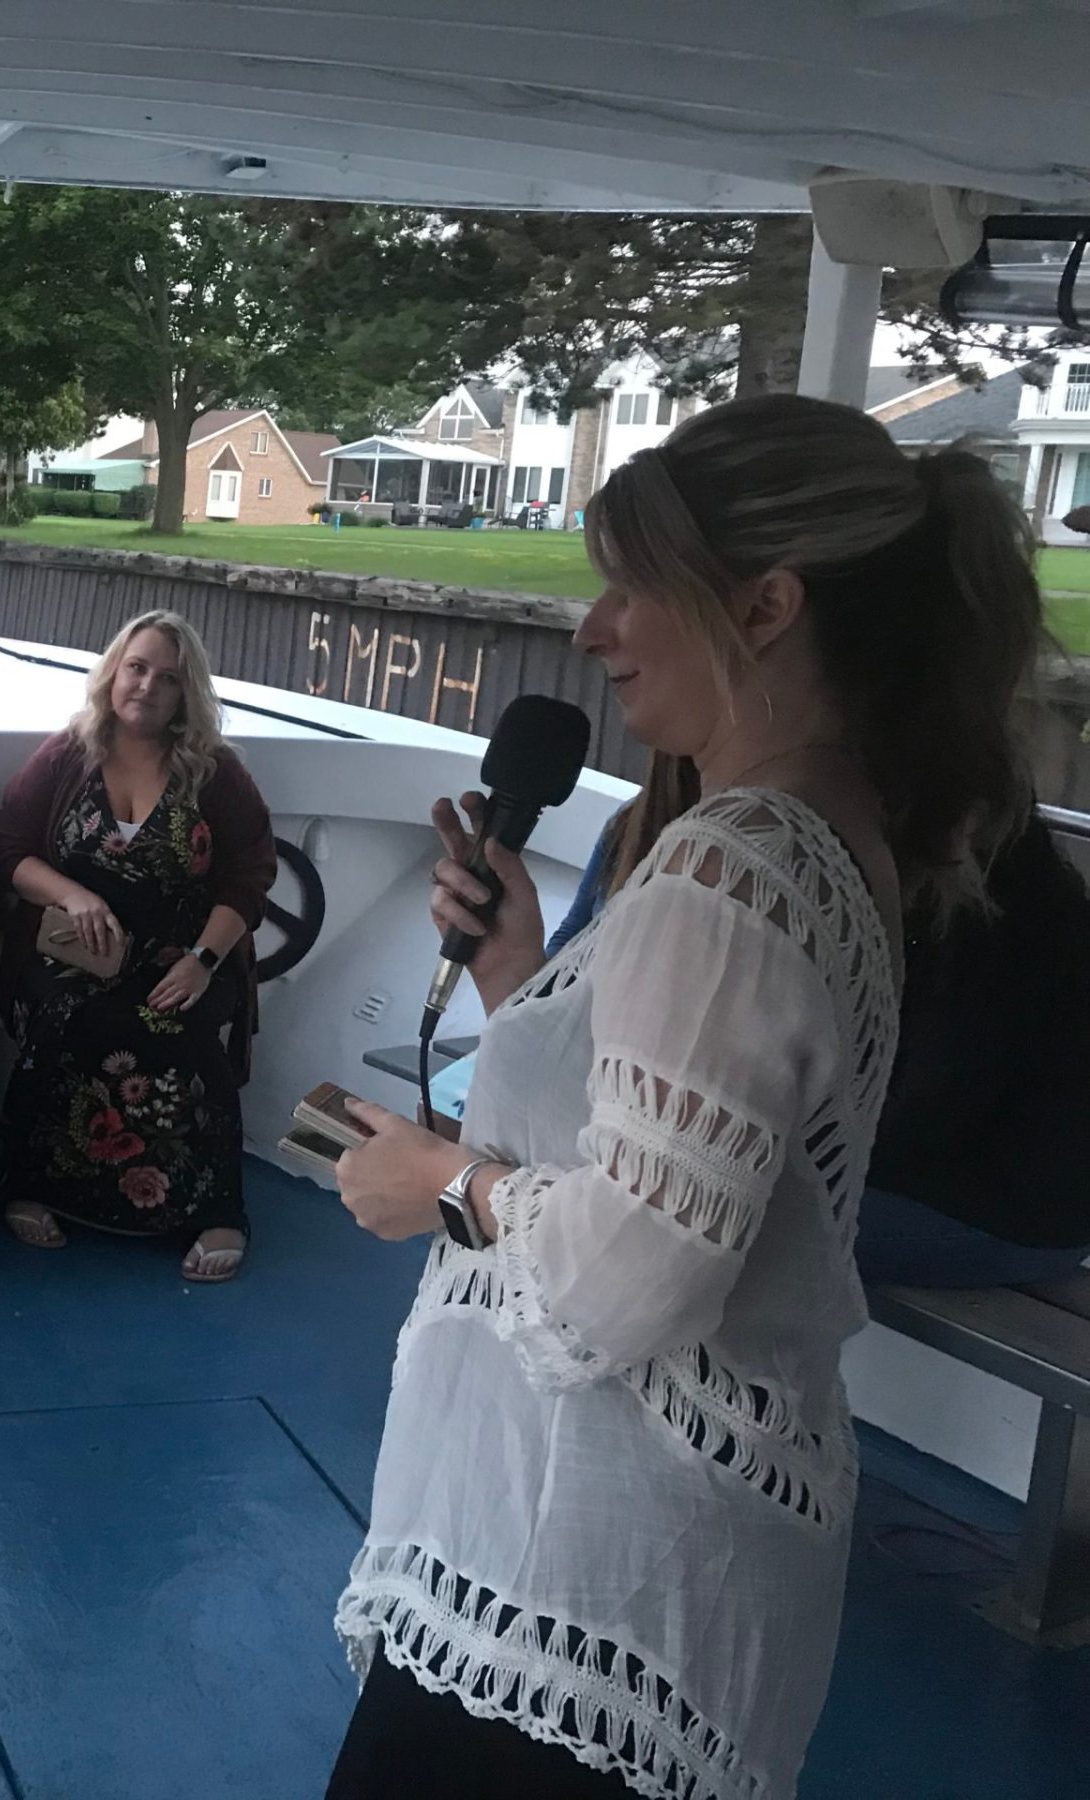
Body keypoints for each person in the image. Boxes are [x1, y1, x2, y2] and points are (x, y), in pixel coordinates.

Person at [327, 394, 1044, 1800]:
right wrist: (523, 971)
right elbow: (689, 1143)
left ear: (765, 605)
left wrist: (441, 1185)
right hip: (664, 1583)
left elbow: (627, 1284)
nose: (592, 629)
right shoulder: (832, 833)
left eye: (629, 587)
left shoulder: (731, 869)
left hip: (571, 1583)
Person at [541, 752, 1090, 1290]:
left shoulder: (981, 869)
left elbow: (923, 1100)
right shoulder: (658, 815)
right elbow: (564, 978)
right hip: (891, 1150)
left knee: (683, 1226)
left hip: (994, 1202)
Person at [0, 610, 276, 1283]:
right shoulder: (67, 754)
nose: (147, 686)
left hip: (186, 951)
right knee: (68, 1016)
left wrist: (203, 963)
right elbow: (8, 850)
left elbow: (250, 878)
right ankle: (35, 1185)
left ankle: (215, 1207)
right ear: (113, 673)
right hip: (73, 948)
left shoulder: (215, 772)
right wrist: (74, 894)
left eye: (168, 678)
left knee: (180, 1023)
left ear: (187, 694)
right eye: (137, 668)